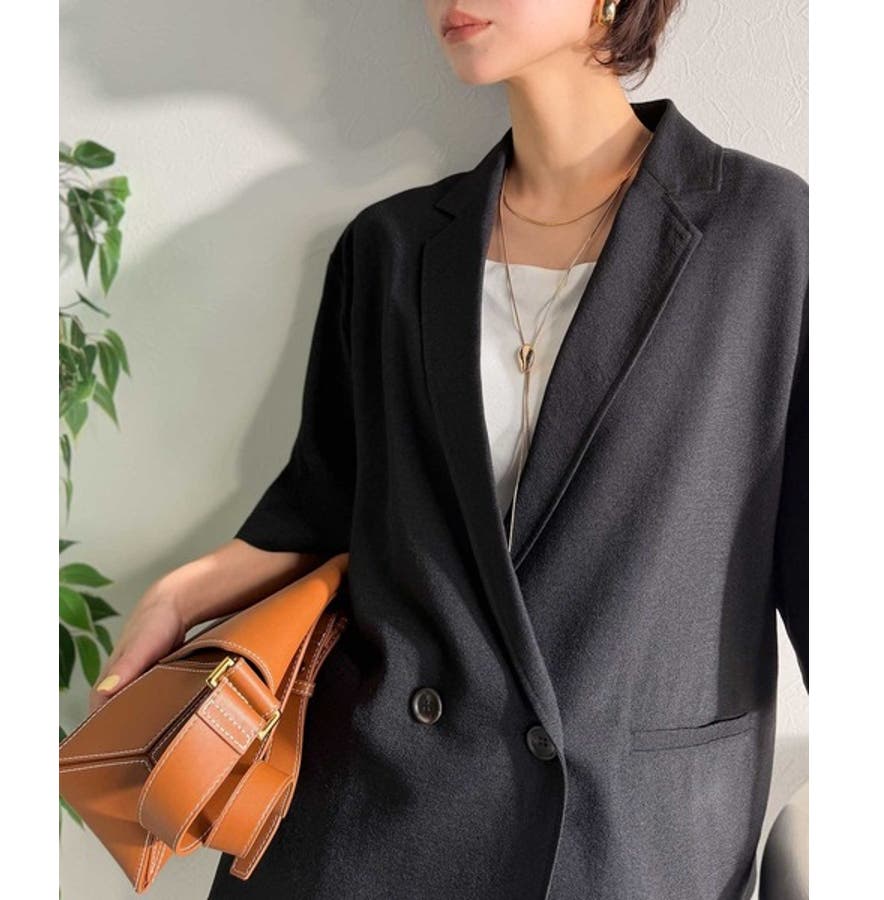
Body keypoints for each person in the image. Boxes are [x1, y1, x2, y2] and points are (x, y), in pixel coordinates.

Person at [89, 2, 808, 898]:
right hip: (370, 823)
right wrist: (178, 594)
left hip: (619, 837)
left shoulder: (767, 235)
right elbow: (323, 510)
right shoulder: (389, 249)